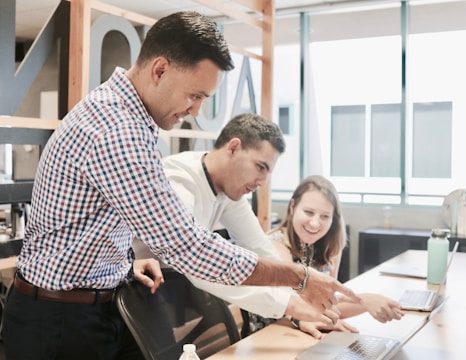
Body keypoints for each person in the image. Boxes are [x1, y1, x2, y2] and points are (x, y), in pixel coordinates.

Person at [3, 12, 361, 360]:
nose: (195, 111)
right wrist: (299, 277)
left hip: (94, 303)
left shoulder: (130, 118)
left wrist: (125, 263)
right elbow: (187, 247)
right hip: (57, 321)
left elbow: (92, 220)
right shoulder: (118, 131)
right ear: (160, 70)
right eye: (195, 95)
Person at [138, 112, 334, 334]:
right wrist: (291, 305)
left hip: (158, 292)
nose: (263, 181)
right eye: (261, 167)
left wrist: (297, 312)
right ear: (233, 148)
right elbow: (197, 261)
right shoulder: (179, 179)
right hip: (123, 291)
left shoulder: (228, 191)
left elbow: (260, 248)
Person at [244, 175, 404, 339]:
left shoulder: (331, 246)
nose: (315, 223)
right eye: (308, 212)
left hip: (307, 334)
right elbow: (296, 307)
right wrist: (364, 300)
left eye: (325, 216)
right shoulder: (275, 246)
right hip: (270, 337)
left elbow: (329, 306)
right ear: (292, 207)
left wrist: (369, 303)